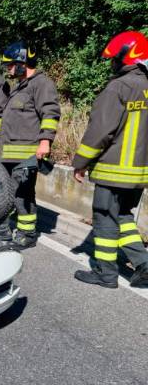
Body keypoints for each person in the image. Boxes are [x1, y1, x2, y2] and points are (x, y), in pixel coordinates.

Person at [72, 30, 148, 289]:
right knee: (123, 216)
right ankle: (144, 265)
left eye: (114, 58)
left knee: (104, 217)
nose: (112, 62)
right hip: (139, 173)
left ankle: (105, 273)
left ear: (126, 56)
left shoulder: (118, 87)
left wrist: (80, 162)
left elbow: (101, 130)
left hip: (113, 169)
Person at [0, 42, 61, 249]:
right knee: (9, 192)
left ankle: (27, 233)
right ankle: (6, 229)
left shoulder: (41, 84)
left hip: (25, 154)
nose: (8, 68)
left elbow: (50, 113)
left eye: (10, 65)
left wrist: (45, 142)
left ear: (22, 63)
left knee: (22, 194)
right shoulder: (20, 86)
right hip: (8, 153)